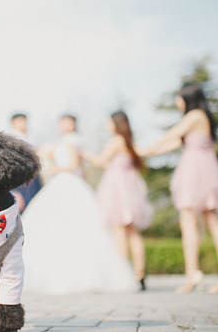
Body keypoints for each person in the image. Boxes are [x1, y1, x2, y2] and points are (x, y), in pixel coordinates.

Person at [22, 114, 136, 294]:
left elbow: (75, 165)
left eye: (68, 122)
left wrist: (56, 168)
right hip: (61, 183)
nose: (64, 126)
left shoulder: (75, 142)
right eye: (62, 123)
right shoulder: (58, 143)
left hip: (69, 182)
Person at [140, 83, 218, 294]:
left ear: (187, 98)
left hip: (194, 172)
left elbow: (171, 135)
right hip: (206, 170)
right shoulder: (201, 119)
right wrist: (146, 153)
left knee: (189, 222)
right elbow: (173, 143)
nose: (177, 102)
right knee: (212, 221)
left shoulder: (194, 116)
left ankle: (193, 273)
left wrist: (145, 149)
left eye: (178, 98)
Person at [84, 111, 152, 291]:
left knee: (119, 231)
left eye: (109, 122)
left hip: (117, 188)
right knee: (133, 232)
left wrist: (84, 154)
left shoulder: (116, 141)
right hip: (131, 187)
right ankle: (140, 273)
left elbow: (99, 161)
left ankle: (124, 274)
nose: (107, 126)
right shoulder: (129, 142)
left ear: (116, 124)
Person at [8, 113, 41, 212]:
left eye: (25, 122)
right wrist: (14, 191)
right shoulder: (12, 142)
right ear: (13, 123)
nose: (24, 124)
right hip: (20, 186)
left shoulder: (27, 140)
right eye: (20, 121)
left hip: (31, 184)